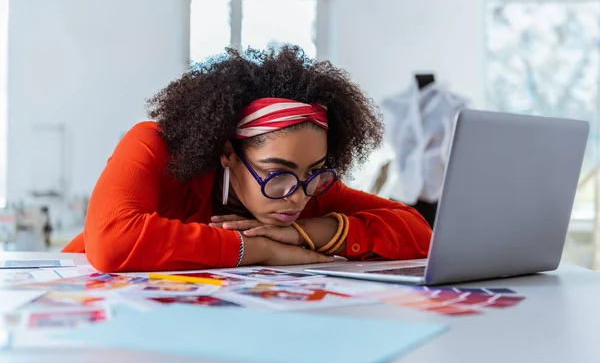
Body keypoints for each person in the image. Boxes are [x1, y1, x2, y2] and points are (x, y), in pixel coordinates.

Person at [62, 46, 432, 272]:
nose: (298, 197)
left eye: (314, 172)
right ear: (228, 152)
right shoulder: (153, 144)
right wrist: (259, 249)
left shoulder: (308, 189)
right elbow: (114, 241)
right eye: (277, 173)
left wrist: (305, 233)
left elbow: (419, 233)